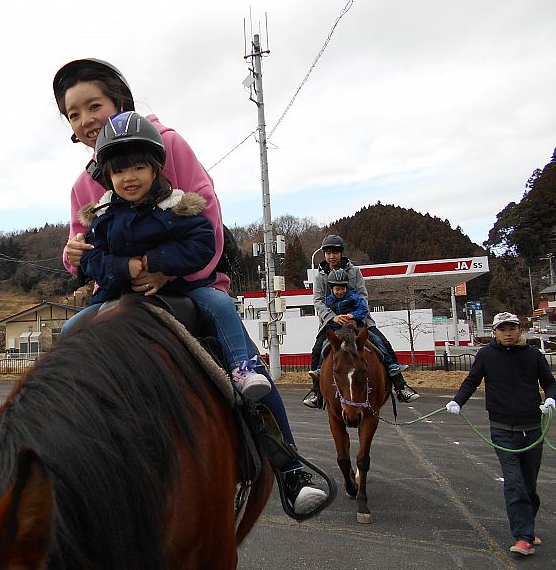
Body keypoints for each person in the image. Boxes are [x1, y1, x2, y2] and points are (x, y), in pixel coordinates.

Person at [52, 58, 326, 512]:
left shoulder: (168, 143)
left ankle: (290, 470)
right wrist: (74, 256)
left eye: (93, 105)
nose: (85, 121)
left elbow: (209, 222)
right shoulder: (84, 184)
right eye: (73, 114)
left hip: (189, 282)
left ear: (119, 101)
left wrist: (162, 270)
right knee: (69, 344)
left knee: (238, 357)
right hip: (121, 293)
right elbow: (78, 248)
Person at [79, 110, 271, 401]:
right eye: (119, 171)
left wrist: (157, 263)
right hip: (119, 293)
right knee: (71, 327)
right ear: (108, 176)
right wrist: (121, 267)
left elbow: (202, 243)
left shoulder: (176, 207)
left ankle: (241, 367)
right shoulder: (103, 218)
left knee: (220, 303)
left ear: (155, 169)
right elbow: (91, 259)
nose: (128, 178)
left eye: (138, 168)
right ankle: (78, 390)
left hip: (182, 287)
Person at [446, 312, 555, 557]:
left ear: (520, 330)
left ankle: (527, 526)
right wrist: (457, 401)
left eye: (512, 328)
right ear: (494, 332)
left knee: (529, 485)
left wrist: (551, 398)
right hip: (502, 429)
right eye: (502, 329)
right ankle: (523, 537)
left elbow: (549, 381)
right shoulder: (486, 355)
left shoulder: (533, 355)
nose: (508, 333)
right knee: (514, 483)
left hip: (533, 429)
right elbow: (471, 381)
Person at [304, 234, 419, 408]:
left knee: (383, 344)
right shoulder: (320, 276)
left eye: (335, 252)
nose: (331, 256)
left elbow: (363, 296)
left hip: (358, 320)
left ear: (341, 253)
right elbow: (318, 301)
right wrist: (333, 317)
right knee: (317, 350)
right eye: (328, 252)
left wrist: (353, 316)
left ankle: (400, 386)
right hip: (332, 322)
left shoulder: (355, 272)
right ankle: (316, 392)